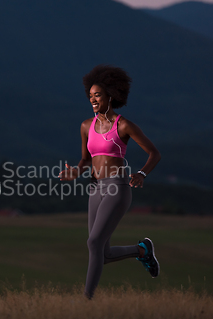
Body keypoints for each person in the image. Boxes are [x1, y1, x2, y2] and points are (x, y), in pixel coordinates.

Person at [59, 64, 162, 299]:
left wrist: (142, 173)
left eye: (98, 95)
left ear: (110, 96)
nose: (93, 99)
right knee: (101, 252)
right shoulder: (86, 126)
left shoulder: (123, 125)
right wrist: (76, 172)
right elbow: (86, 159)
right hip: (95, 188)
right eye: (90, 96)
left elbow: (154, 153)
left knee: (93, 242)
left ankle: (86, 300)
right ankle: (142, 251)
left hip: (117, 187)